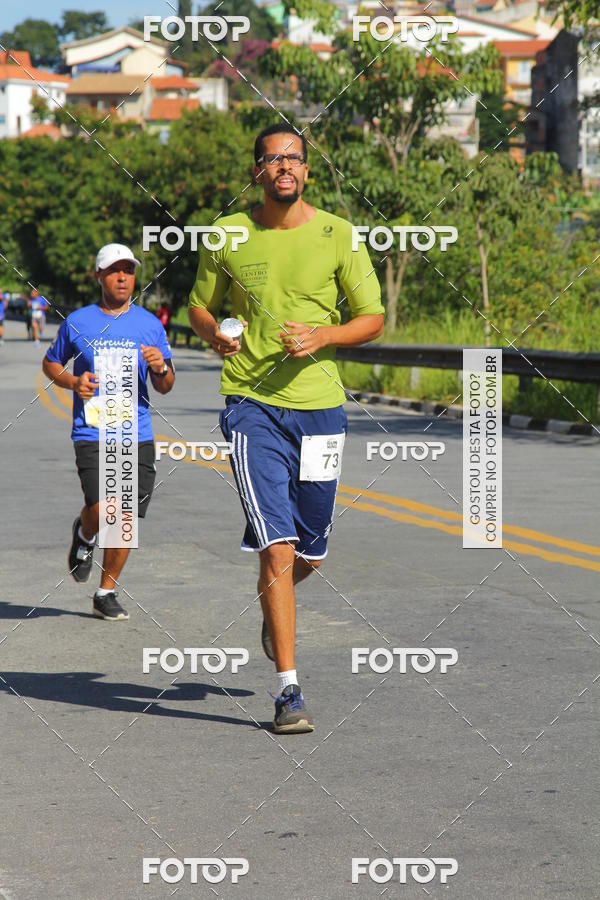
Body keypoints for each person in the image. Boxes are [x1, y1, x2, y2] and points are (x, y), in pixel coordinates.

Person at [188, 123, 384, 734]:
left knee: (311, 553)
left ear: (306, 171)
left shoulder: (337, 235)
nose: (284, 169)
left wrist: (323, 335)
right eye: (272, 159)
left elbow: (373, 318)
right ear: (257, 170)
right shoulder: (226, 234)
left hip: (322, 410)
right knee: (276, 545)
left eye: (293, 159)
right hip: (251, 406)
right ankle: (289, 692)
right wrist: (211, 332)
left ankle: (276, 611)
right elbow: (199, 302)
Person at [42, 243, 175, 620]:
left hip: (137, 432)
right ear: (99, 275)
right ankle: (84, 533)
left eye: (128, 271)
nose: (122, 277)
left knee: (125, 516)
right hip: (93, 431)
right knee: (105, 507)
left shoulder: (150, 325)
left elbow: (165, 385)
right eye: (114, 271)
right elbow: (51, 363)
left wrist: (161, 368)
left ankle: (106, 591)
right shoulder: (78, 321)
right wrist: (73, 382)